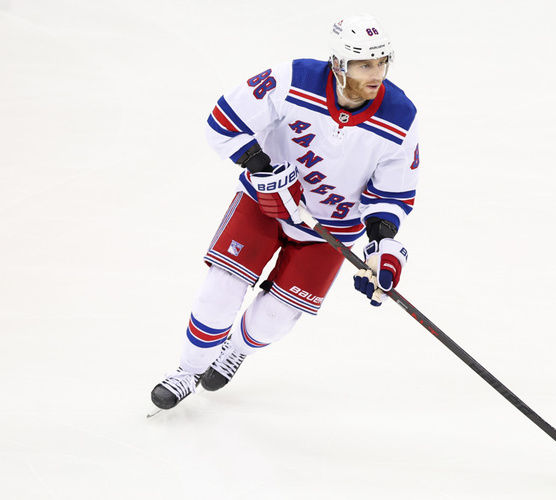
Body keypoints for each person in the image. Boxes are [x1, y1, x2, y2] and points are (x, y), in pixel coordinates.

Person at [151, 14, 420, 410]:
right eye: (365, 64)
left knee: (274, 320)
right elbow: (224, 120)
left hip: (331, 230)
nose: (376, 73)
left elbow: (392, 192)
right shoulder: (293, 78)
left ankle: (235, 350)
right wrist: (261, 165)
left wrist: (380, 245)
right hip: (264, 205)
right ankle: (187, 371)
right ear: (339, 64)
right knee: (219, 291)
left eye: (382, 62)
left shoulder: (400, 115)